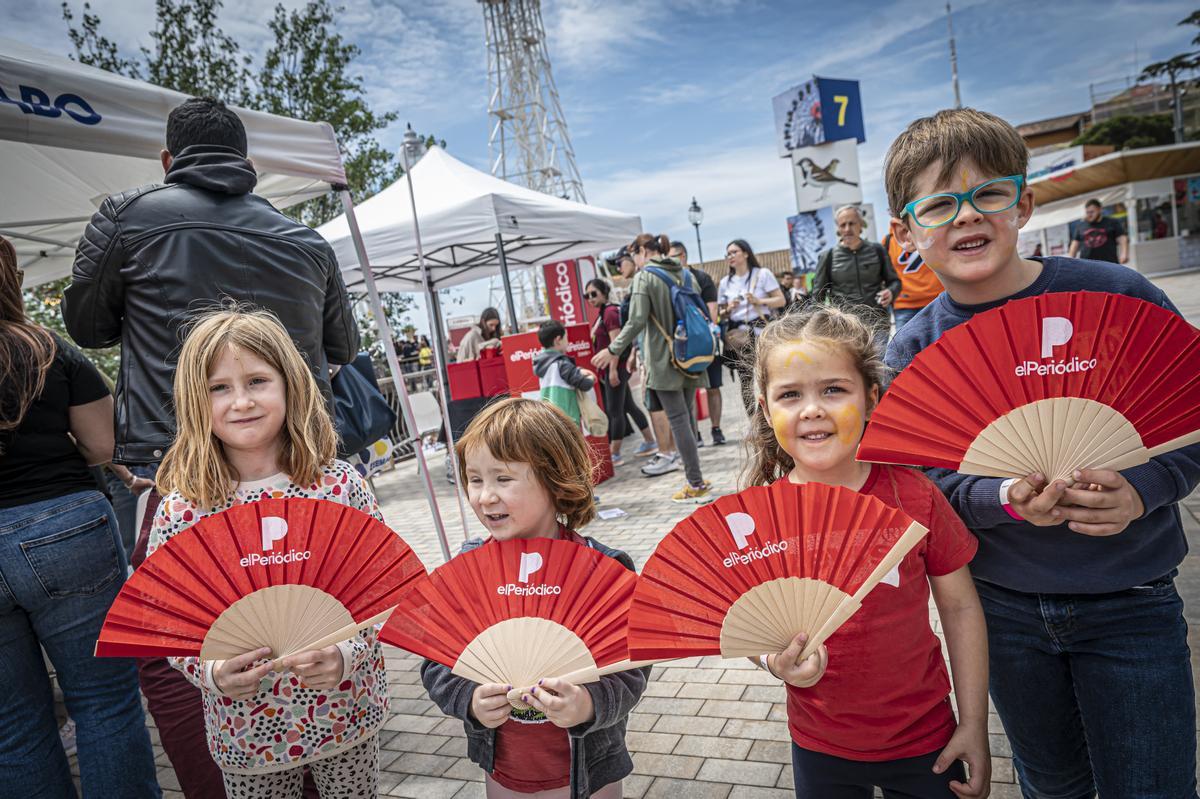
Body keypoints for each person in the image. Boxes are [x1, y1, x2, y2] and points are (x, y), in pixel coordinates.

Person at [885, 107, 1200, 799]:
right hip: (1004, 611)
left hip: (1133, 601)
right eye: (938, 204)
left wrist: (1147, 486)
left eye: (988, 194)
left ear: (1023, 202)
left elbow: (1190, 416)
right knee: (1051, 786)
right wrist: (998, 498)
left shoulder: (1114, 296)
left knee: (1154, 785)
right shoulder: (913, 349)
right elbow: (921, 482)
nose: (967, 216)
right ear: (906, 233)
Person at [61, 95, 358, 798]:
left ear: (167, 163)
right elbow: (343, 348)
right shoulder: (308, 241)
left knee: (177, 642)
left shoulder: (127, 215)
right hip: (302, 469)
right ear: (248, 164)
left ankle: (226, 783)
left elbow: (86, 322)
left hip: (186, 469)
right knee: (309, 614)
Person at [745, 304, 989, 798]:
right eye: (790, 395)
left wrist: (975, 724)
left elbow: (961, 608)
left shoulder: (915, 495)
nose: (812, 409)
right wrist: (774, 661)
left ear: (871, 396)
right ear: (768, 411)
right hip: (819, 746)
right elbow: (745, 623)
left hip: (927, 739)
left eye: (833, 389)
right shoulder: (756, 518)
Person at [148, 308, 388, 798]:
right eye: (219, 387)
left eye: (257, 380)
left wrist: (348, 652)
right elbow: (166, 618)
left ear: (289, 384)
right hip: (247, 733)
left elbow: (382, 587)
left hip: (346, 712)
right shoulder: (183, 510)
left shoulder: (339, 486)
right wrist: (209, 672)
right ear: (195, 400)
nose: (241, 401)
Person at [421, 398, 649, 799]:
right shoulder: (469, 568)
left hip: (591, 772)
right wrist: (468, 701)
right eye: (474, 479)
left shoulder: (601, 568)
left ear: (553, 477)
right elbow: (436, 657)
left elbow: (632, 666)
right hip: (505, 769)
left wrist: (588, 705)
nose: (485, 496)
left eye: (503, 479)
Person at [0, 237, 160, 797]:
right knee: (105, 704)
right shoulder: (45, 350)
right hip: (62, 526)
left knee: (12, 730)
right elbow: (102, 444)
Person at [592, 234, 713, 504]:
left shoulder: (645, 278)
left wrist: (612, 350)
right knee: (688, 417)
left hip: (664, 358)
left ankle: (696, 482)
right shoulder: (685, 273)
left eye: (633, 253)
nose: (632, 259)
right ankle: (696, 476)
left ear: (644, 251)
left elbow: (635, 321)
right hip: (692, 351)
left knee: (679, 419)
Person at [585, 278, 656, 466]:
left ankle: (614, 454)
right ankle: (650, 441)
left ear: (604, 292)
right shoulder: (603, 313)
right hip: (612, 369)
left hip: (614, 368)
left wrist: (613, 371)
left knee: (615, 411)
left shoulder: (609, 313)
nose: (590, 298)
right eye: (587, 295)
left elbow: (615, 343)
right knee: (628, 406)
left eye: (594, 294)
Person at [813, 206, 900, 353]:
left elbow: (895, 282)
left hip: (877, 324)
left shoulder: (877, 250)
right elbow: (818, 297)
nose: (847, 229)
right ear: (838, 229)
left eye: (852, 223)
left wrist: (891, 293)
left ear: (861, 225)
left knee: (880, 371)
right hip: (845, 329)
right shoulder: (827, 256)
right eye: (843, 225)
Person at [717, 238, 786, 415]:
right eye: (728, 254)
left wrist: (758, 300)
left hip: (762, 331)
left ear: (746, 253)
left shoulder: (762, 274)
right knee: (745, 378)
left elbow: (780, 300)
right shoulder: (725, 282)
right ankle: (754, 420)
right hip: (739, 336)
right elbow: (720, 312)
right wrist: (728, 308)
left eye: (734, 252)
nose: (730, 256)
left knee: (769, 374)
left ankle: (775, 413)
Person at [670, 241, 726, 447]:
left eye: (674, 256)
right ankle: (695, 432)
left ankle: (716, 428)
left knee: (712, 386)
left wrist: (704, 334)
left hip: (705, 341)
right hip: (684, 344)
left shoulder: (702, 278)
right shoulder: (671, 281)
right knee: (690, 390)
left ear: (683, 255)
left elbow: (712, 310)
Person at [533, 320, 596, 426]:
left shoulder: (542, 363)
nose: (568, 342)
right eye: (566, 338)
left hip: (549, 418)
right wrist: (591, 378)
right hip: (567, 419)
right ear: (558, 340)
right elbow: (585, 384)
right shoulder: (562, 364)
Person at [881, 230, 943, 332]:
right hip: (904, 306)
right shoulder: (888, 240)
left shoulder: (933, 232)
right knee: (905, 346)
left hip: (937, 301)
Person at [1067, 198, 1128, 264]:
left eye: (1092, 212)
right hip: (1088, 265)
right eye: (1087, 212)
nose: (1089, 215)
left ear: (1099, 210)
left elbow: (1122, 238)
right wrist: (1070, 261)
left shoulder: (1111, 222)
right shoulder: (1081, 226)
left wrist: (1124, 253)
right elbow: (1074, 244)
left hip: (1109, 263)